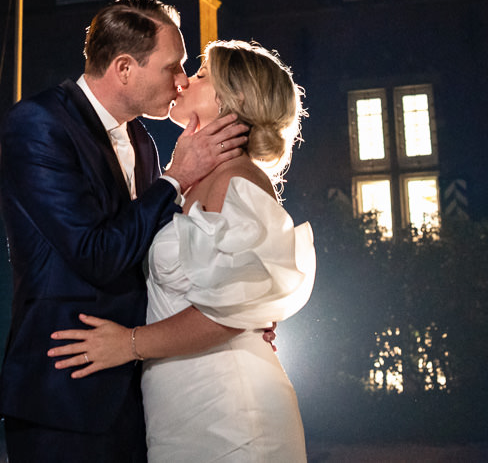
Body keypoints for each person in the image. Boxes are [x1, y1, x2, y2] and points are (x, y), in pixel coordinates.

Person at [0, 0, 250, 462]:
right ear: (125, 68)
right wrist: (176, 178)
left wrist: (242, 314)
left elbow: (158, 257)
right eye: (171, 67)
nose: (180, 81)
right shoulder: (38, 124)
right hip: (64, 390)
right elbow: (96, 253)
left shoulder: (141, 140)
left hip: (139, 387)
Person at [48, 39, 316, 462]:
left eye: (202, 76)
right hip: (180, 406)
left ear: (235, 99)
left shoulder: (237, 180)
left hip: (229, 409)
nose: (184, 81)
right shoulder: (190, 181)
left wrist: (128, 344)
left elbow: (229, 310)